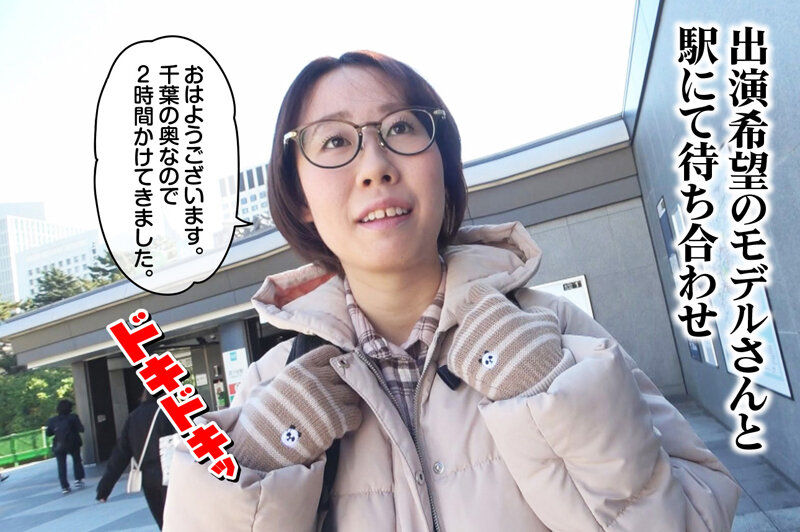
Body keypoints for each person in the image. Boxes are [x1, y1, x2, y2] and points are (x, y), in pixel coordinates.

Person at [163, 51, 741, 531]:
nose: (375, 166)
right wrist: (257, 466)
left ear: (443, 165)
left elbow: (695, 516)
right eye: (335, 141)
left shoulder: (555, 332)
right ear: (300, 197)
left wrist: (550, 393)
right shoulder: (271, 388)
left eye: (400, 127)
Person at [96, 391, 176, 530]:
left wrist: (104, 488)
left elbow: (120, 455)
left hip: (148, 479)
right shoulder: (171, 412)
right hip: (172, 475)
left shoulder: (133, 417)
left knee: (164, 524)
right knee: (180, 520)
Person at [46, 399, 85, 494]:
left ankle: (65, 486)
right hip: (73, 443)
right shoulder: (73, 417)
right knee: (77, 460)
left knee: (61, 465)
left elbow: (48, 433)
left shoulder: (52, 420)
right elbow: (81, 429)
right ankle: (78, 480)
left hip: (59, 445)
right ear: (69, 408)